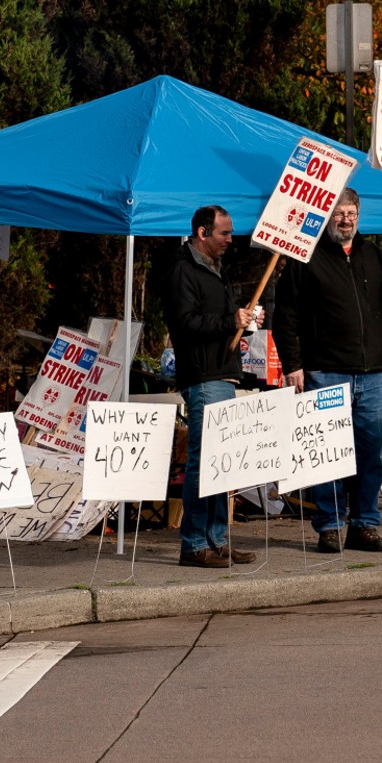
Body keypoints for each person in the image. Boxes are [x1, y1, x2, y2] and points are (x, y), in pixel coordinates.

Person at [273, 188, 382, 554]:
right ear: (326, 218)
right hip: (325, 371)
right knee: (327, 454)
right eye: (338, 213)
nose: (346, 219)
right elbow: (285, 316)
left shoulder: (373, 254)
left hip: (372, 376)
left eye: (351, 212)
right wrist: (294, 366)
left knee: (370, 454)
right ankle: (330, 525)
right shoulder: (305, 258)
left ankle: (364, 524)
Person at [164, 205, 258, 568]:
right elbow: (185, 323)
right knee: (204, 464)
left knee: (223, 463)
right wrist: (228, 320)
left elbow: (217, 320)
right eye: (224, 233)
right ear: (203, 233)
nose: (230, 240)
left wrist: (241, 321)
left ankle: (216, 539)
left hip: (222, 374)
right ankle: (193, 544)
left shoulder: (213, 270)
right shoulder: (181, 270)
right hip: (203, 378)